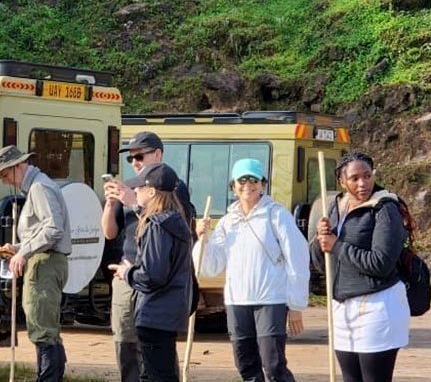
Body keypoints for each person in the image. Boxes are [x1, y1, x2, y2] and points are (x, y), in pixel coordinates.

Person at [196, 158, 309, 382]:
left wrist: (296, 305)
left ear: (263, 184)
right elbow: (209, 267)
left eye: (254, 180)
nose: (248, 185)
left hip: (271, 299)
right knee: (246, 364)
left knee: (273, 364)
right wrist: (203, 239)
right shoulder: (227, 222)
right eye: (242, 180)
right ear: (233, 186)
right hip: (237, 301)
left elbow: (297, 257)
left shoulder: (277, 215)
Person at [101, 131, 195, 382]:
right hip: (128, 274)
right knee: (126, 339)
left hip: (151, 280)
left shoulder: (171, 186)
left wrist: (134, 202)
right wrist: (111, 204)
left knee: (156, 348)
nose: (135, 162)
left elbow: (168, 225)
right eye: (131, 158)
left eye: (140, 156)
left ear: (158, 154)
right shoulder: (131, 187)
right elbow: (109, 233)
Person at [309, 151, 410, 382]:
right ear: (342, 181)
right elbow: (323, 266)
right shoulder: (336, 206)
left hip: (378, 306)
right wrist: (319, 239)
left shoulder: (385, 208)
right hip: (343, 309)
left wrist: (337, 246)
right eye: (354, 178)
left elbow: (381, 263)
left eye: (367, 176)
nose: (362, 183)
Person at [0, 145, 70, 381]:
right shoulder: (38, 186)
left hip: (44, 265)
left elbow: (53, 229)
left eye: (5, 174)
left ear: (18, 166)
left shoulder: (39, 187)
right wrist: (15, 249)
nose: (5, 181)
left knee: (42, 331)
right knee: (47, 329)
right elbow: (42, 230)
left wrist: (23, 252)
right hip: (45, 262)